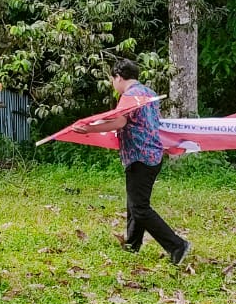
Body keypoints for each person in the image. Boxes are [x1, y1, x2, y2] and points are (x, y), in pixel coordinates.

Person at [71, 59, 190, 265]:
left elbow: (120, 122)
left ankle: (177, 245)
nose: (112, 84)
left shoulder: (129, 96)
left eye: (112, 79)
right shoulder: (150, 93)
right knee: (134, 203)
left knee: (140, 207)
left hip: (139, 156)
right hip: (153, 154)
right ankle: (132, 244)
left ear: (118, 77)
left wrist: (88, 129)